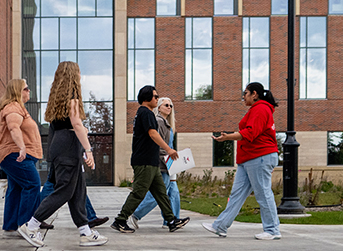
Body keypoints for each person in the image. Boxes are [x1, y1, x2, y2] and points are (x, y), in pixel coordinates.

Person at [20, 61, 107, 248]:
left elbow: (60, 128)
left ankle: (85, 232)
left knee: (78, 191)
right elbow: (76, 125)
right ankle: (31, 225)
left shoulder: (57, 101)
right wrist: (88, 149)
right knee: (64, 190)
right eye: (79, 72)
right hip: (69, 146)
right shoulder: (73, 98)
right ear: (73, 76)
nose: (81, 76)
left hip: (62, 145)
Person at [202, 82, 282, 240]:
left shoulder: (261, 108)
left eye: (245, 93)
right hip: (249, 158)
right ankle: (220, 226)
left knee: (263, 193)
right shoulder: (256, 109)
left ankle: (272, 230)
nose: (243, 97)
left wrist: (227, 137)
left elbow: (251, 132)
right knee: (236, 194)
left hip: (260, 156)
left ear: (254, 94)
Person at [111, 85, 188, 233]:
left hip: (151, 162)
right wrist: (169, 149)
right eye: (156, 97)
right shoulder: (146, 113)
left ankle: (171, 220)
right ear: (147, 98)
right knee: (138, 192)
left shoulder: (145, 113)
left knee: (161, 193)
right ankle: (120, 220)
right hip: (144, 161)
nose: (157, 99)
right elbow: (153, 134)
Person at [0, 78, 43, 242]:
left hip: (17, 154)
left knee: (16, 189)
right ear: (17, 91)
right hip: (15, 154)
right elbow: (13, 127)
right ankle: (26, 225)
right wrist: (22, 147)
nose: (28, 91)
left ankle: (10, 227)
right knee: (32, 184)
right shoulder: (13, 107)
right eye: (26, 88)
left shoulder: (18, 108)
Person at [131, 96, 183, 230]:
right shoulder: (158, 121)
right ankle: (136, 214)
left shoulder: (168, 124)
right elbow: (157, 143)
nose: (169, 108)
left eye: (171, 105)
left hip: (169, 163)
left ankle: (171, 220)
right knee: (159, 193)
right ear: (159, 107)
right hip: (162, 162)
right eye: (166, 105)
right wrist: (166, 156)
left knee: (173, 192)